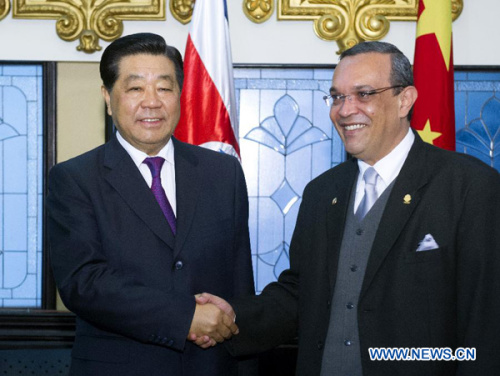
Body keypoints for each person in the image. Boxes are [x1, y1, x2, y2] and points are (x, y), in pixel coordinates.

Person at [195, 41, 500, 375]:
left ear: (404, 100)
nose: (344, 109)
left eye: (363, 94)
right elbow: (300, 294)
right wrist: (234, 316)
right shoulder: (321, 193)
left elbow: (485, 326)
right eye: (337, 96)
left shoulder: (469, 187)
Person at [47, 33, 256, 376]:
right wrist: (184, 316)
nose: (152, 102)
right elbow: (84, 283)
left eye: (164, 87)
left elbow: (239, 282)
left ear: (180, 95)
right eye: (135, 88)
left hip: (212, 366)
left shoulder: (223, 173)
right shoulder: (75, 178)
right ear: (108, 98)